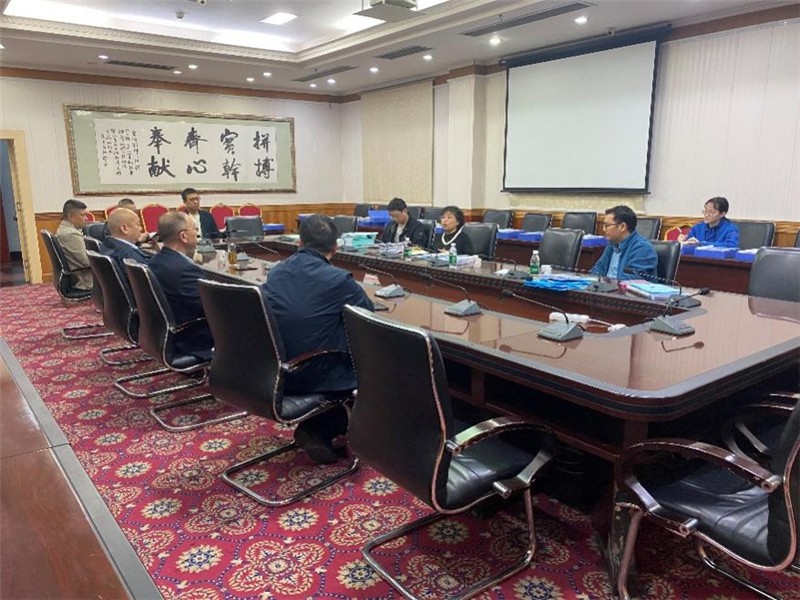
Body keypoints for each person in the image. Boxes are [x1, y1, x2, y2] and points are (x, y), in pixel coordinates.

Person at [262, 214, 374, 463]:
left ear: (299, 242)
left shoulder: (277, 271)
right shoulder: (338, 279)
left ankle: (318, 426)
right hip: (311, 373)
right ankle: (322, 428)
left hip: (276, 368)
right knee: (371, 354)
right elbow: (367, 314)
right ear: (336, 247)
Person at [148, 211, 213, 360]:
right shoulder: (185, 271)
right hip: (191, 339)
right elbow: (212, 310)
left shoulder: (155, 261)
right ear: (183, 236)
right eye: (195, 229)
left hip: (161, 333)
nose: (197, 234)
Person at [591, 205, 658, 281]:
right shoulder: (612, 243)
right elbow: (598, 268)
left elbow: (633, 280)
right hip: (606, 287)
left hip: (621, 288)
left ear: (622, 227)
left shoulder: (643, 248)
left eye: (607, 226)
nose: (603, 229)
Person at [55, 199, 92, 290]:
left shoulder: (64, 229)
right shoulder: (71, 234)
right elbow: (87, 261)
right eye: (82, 215)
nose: (86, 218)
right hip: (87, 280)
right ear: (71, 216)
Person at [101, 208, 151, 273]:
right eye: (138, 225)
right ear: (124, 229)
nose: (141, 229)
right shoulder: (131, 257)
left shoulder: (106, 244)